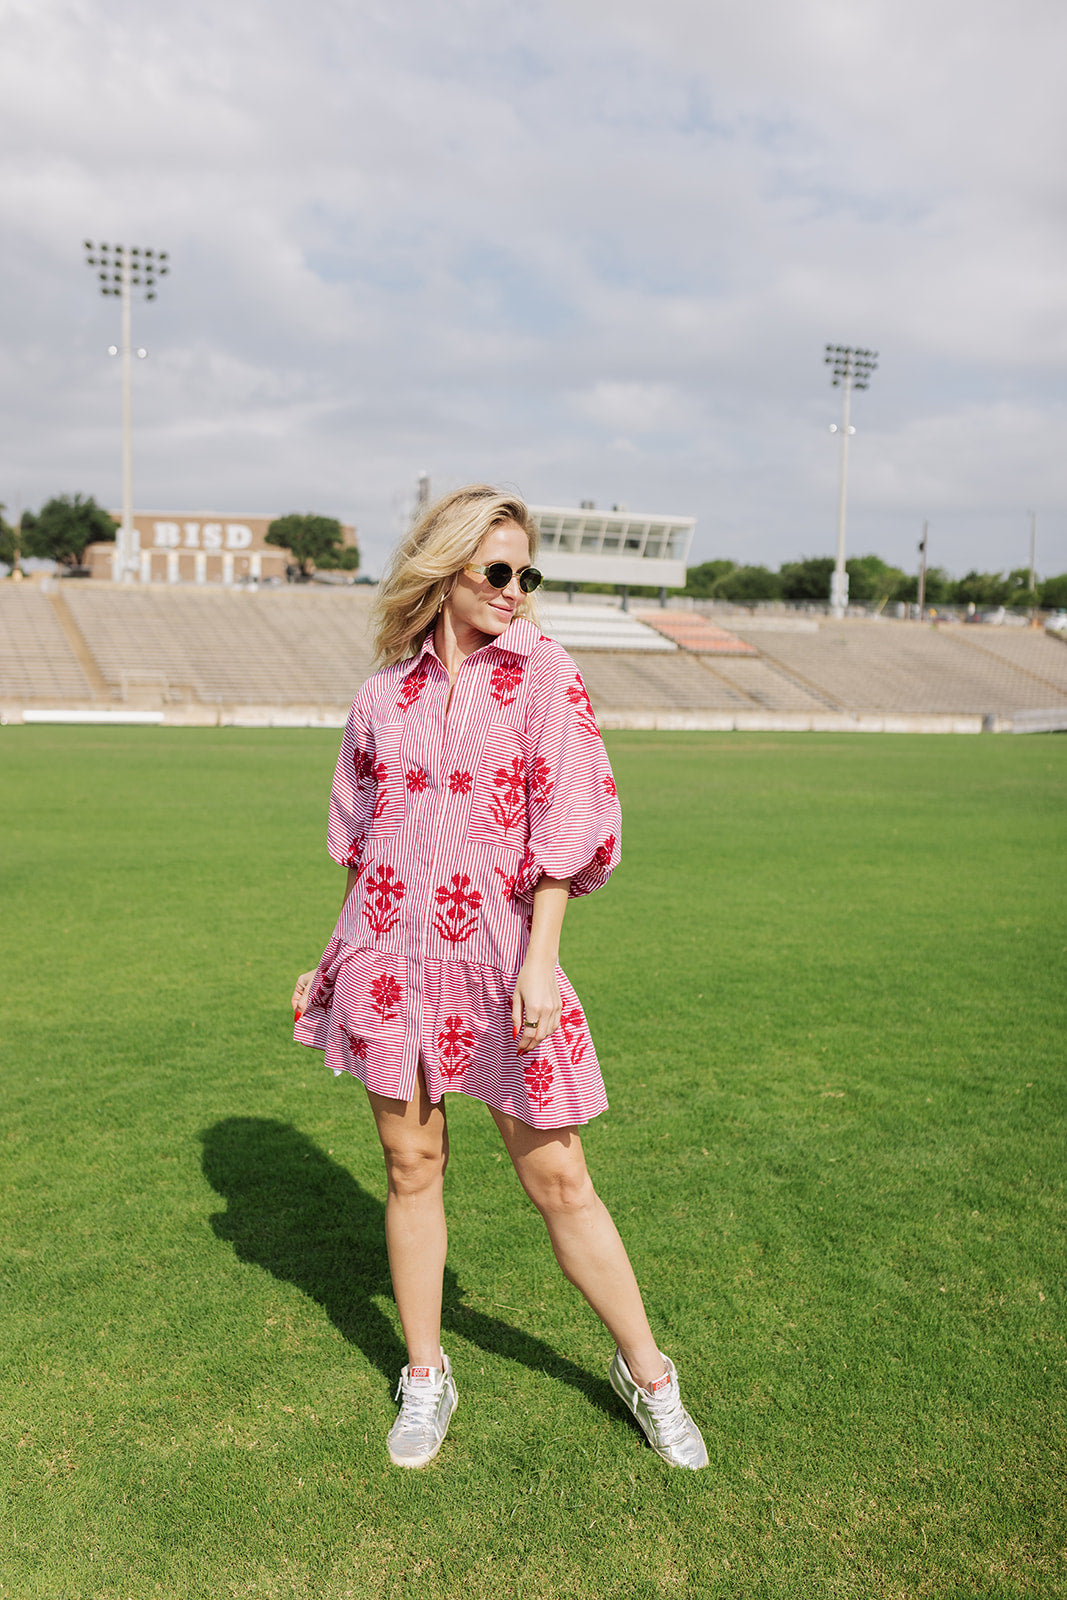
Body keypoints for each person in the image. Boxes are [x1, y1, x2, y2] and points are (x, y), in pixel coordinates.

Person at [291, 485, 707, 1471]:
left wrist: (541, 959)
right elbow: (364, 845)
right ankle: (424, 1373)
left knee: (558, 1175)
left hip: (497, 961)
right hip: (387, 962)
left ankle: (649, 1374)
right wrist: (331, 956)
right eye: (497, 569)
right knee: (410, 1166)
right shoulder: (379, 696)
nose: (515, 588)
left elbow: (570, 824)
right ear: (445, 571)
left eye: (527, 572)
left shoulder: (545, 676)